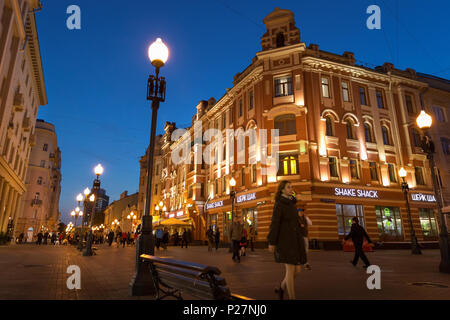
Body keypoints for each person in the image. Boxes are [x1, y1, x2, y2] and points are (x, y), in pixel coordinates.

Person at [268, 180, 307, 300]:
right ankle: (292, 297)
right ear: (282, 190)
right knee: (290, 271)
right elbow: (275, 224)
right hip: (285, 241)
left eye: (292, 187)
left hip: (295, 240)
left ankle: (281, 287)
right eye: (288, 187)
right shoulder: (279, 204)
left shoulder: (292, 203)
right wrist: (272, 242)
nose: (291, 189)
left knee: (298, 271)